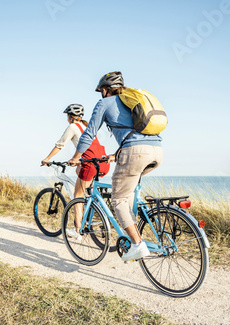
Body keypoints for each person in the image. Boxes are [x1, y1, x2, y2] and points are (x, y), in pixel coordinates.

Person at [68, 71, 163, 262]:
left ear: (105, 90)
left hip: (134, 152)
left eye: (101, 90)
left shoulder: (104, 103)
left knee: (117, 198)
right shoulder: (131, 101)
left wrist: (76, 157)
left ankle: (137, 244)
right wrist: (116, 155)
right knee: (128, 196)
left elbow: (89, 133)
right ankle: (134, 230)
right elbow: (135, 133)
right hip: (157, 150)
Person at [41, 104, 110, 239]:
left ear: (69, 116)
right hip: (102, 164)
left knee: (77, 195)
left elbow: (60, 144)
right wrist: (77, 160)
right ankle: (91, 216)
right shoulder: (87, 126)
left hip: (90, 164)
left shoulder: (73, 127)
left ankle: (78, 229)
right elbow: (89, 148)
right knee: (86, 189)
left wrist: (47, 158)